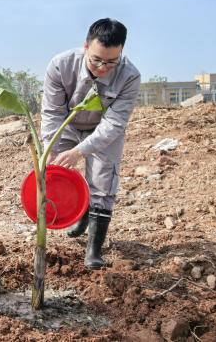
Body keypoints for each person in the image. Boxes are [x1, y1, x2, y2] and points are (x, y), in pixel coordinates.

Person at [41, 18, 141, 269]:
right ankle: (81, 211)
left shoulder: (130, 76)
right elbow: (52, 113)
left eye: (111, 62)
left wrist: (81, 151)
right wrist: (51, 149)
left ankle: (94, 250)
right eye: (96, 60)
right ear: (86, 46)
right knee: (59, 173)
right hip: (68, 125)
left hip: (103, 130)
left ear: (121, 54)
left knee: (103, 181)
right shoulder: (60, 65)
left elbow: (115, 124)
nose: (103, 67)